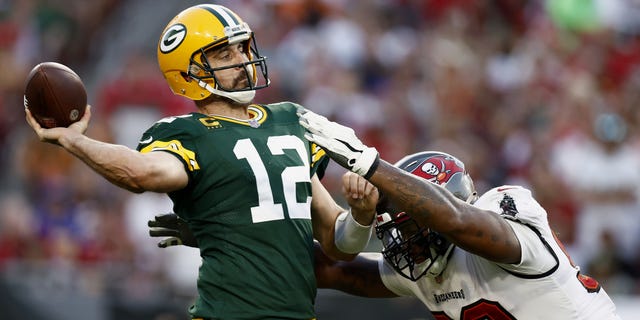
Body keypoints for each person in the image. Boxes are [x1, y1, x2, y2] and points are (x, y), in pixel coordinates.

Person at [24, 4, 379, 320]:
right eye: (224, 54)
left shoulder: (290, 120)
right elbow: (142, 173)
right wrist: (76, 141)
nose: (242, 60)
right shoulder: (188, 132)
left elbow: (339, 244)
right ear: (189, 72)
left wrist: (361, 216)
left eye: (242, 47)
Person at [296, 108, 621, 319]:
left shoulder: (504, 211)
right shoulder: (423, 269)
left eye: (410, 226)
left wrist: (369, 165)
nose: (404, 241)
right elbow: (332, 269)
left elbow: (457, 221)